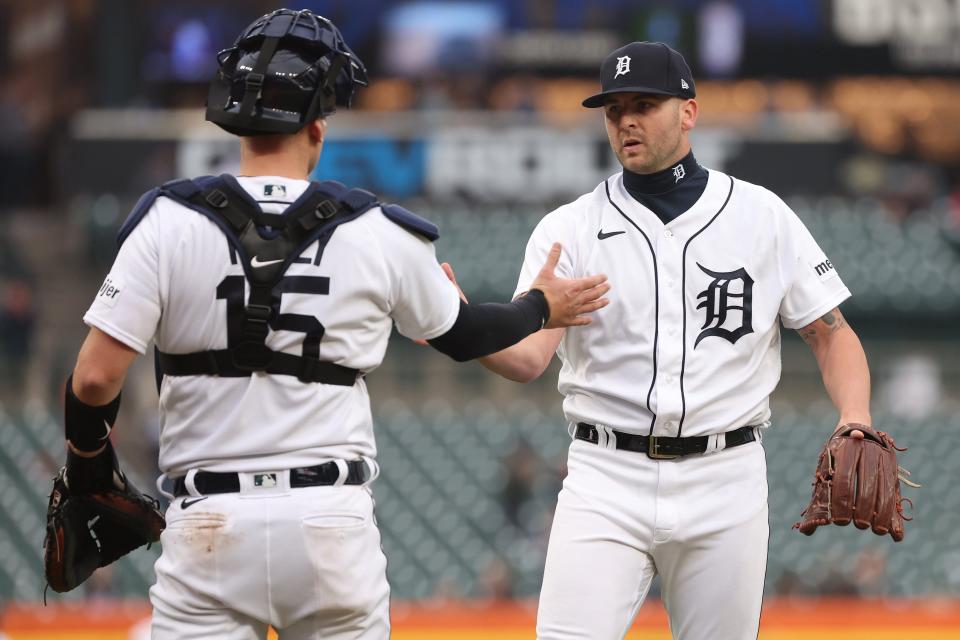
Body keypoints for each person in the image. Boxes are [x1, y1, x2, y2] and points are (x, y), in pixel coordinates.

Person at [62, 9, 609, 639]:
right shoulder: (378, 230)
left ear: (236, 120)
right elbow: (469, 336)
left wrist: (87, 471)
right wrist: (540, 306)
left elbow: (96, 380)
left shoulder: (165, 220)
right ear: (319, 128)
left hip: (208, 523)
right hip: (329, 523)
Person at [443, 41, 872, 639]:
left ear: (688, 112)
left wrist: (854, 414)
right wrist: (456, 324)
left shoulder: (761, 216)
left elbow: (832, 334)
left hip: (726, 477)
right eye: (613, 109)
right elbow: (525, 360)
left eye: (644, 103)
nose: (626, 121)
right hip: (603, 475)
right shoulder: (571, 229)